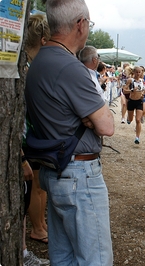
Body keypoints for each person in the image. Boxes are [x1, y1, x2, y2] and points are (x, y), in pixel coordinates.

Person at [25, 0, 114, 264]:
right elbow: (107, 126)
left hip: (55, 169)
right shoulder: (71, 67)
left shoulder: (39, 61)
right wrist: (90, 116)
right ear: (81, 24)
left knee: (62, 256)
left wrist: (90, 117)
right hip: (79, 173)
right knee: (95, 258)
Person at [22, 13, 51, 266]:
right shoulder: (27, 68)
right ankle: (37, 227)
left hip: (34, 138)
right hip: (28, 141)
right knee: (33, 186)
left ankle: (40, 224)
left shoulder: (29, 66)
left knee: (39, 186)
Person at [124, 66, 145, 144]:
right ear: (134, 72)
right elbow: (124, 91)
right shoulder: (130, 80)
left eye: (140, 72)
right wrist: (131, 90)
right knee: (131, 119)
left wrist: (143, 94)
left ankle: (137, 137)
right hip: (131, 101)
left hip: (139, 101)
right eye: (137, 72)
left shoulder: (142, 81)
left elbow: (144, 90)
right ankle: (128, 118)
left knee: (138, 120)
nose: (138, 74)